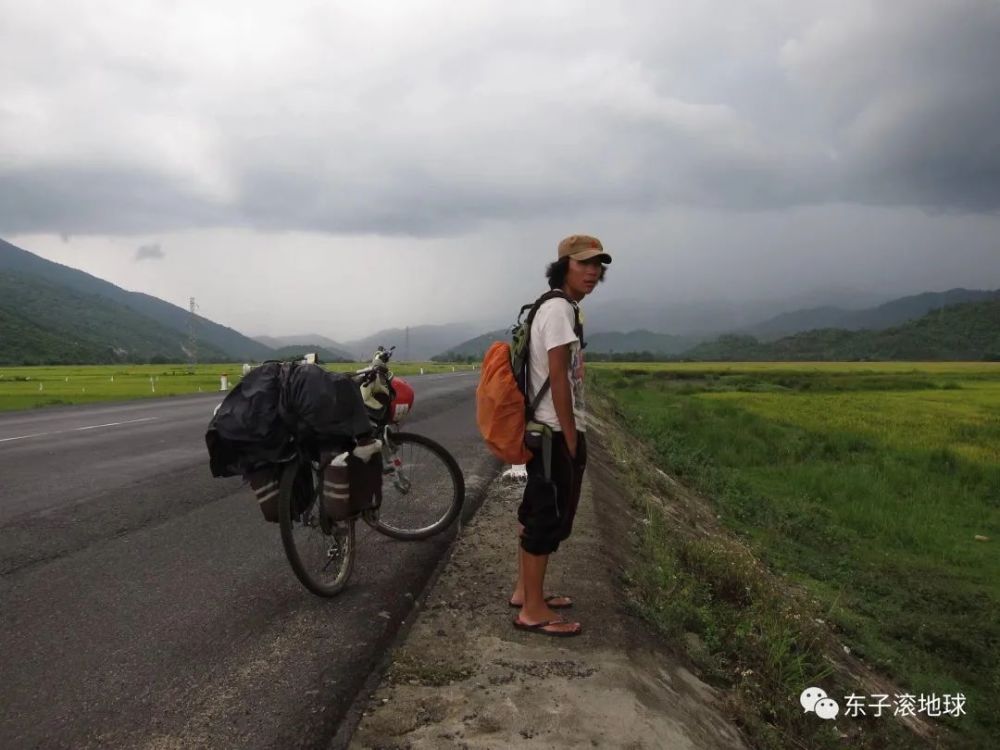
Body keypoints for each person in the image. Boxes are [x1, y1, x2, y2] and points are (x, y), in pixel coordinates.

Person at [510, 234, 611, 637]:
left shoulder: (558, 307)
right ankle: (532, 611)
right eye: (583, 263)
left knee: (536, 511)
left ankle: (526, 592)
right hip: (553, 431)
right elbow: (557, 378)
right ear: (563, 266)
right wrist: (570, 437)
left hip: (548, 430)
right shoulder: (557, 310)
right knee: (545, 519)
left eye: (597, 265)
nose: (592, 272)